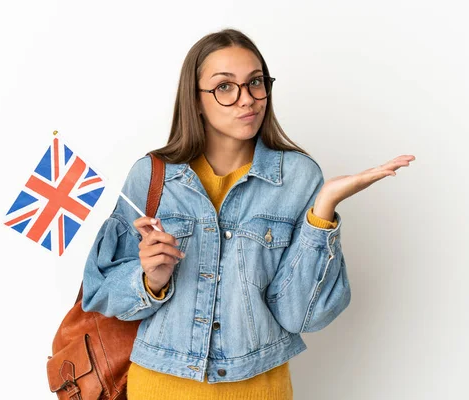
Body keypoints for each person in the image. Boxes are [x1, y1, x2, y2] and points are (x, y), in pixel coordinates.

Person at [82, 28, 415, 400]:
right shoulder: (152, 175)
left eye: (255, 82)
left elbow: (303, 316)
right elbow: (100, 293)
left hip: (260, 389)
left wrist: (323, 211)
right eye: (225, 87)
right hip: (159, 387)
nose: (248, 100)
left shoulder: (300, 177)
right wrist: (150, 280)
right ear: (195, 99)